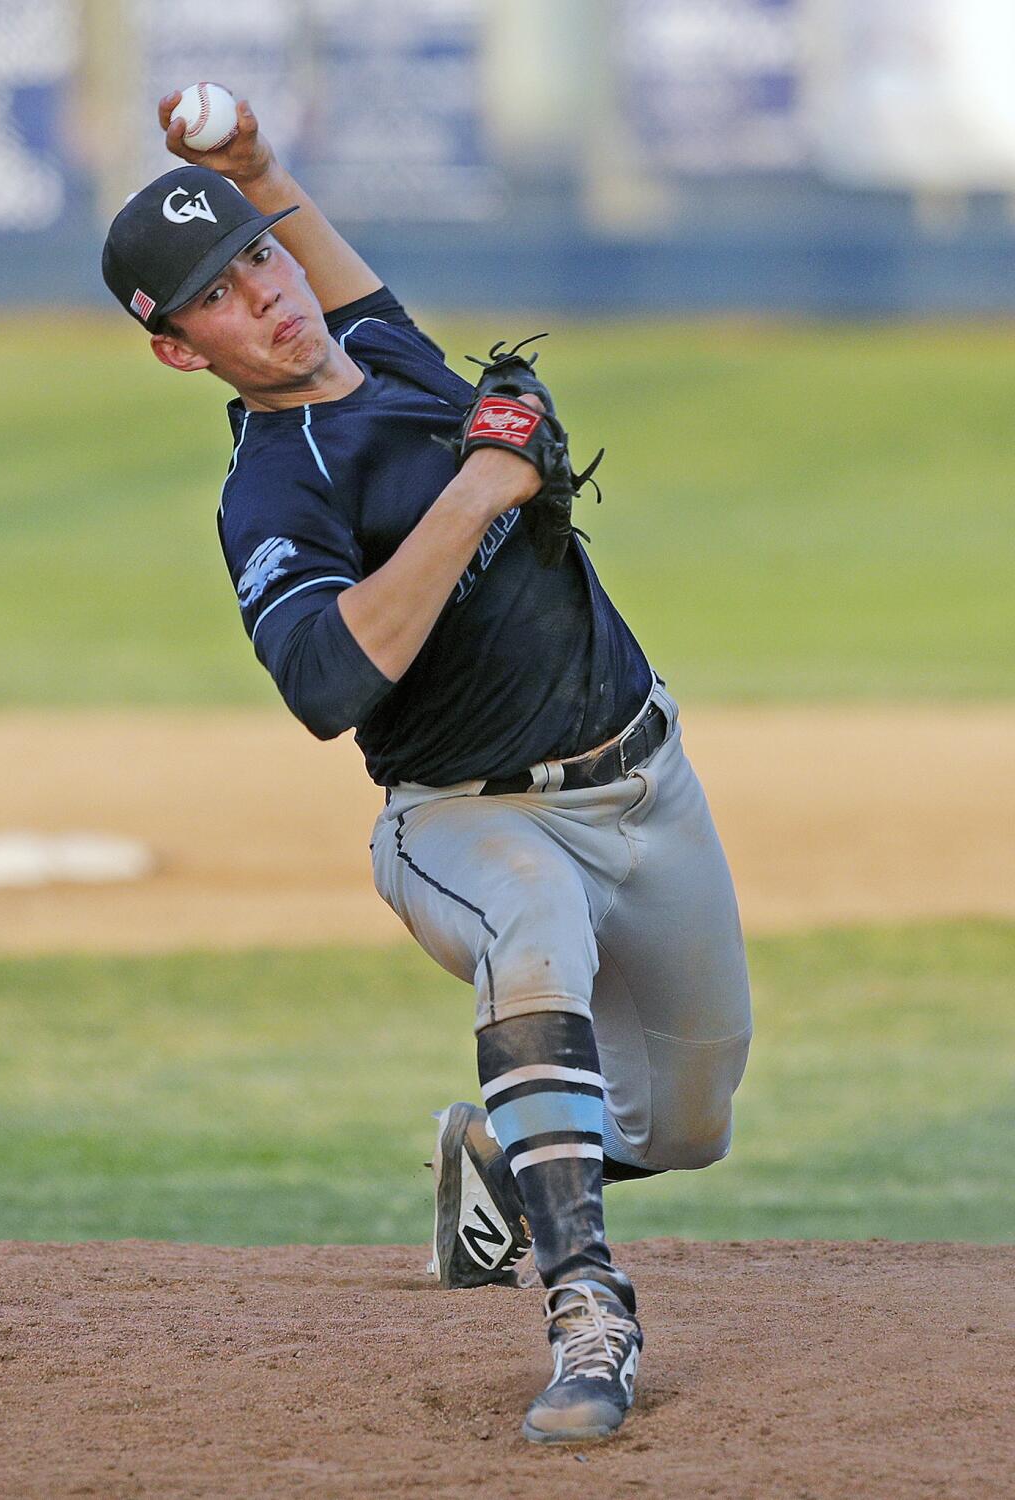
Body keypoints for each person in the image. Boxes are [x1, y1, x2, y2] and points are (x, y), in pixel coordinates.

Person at [101, 90, 753, 1446]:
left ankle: (504, 1168)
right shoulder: (272, 490)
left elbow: (328, 268)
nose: (264, 296)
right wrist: (478, 485)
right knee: (535, 931)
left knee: (691, 1123)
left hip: (647, 782)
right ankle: (587, 1308)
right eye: (216, 297)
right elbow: (328, 684)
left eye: (258, 259)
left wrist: (255, 169)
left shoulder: (385, 351)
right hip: (460, 817)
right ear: (179, 353)